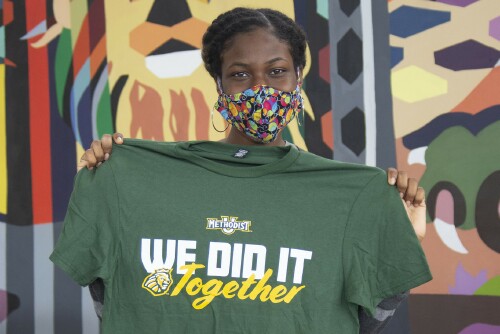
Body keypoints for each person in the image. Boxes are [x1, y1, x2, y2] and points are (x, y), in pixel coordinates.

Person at [51, 7, 431, 334]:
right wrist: (107, 182)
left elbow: (360, 325)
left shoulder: (353, 195)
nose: (261, 89)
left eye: (277, 71)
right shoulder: (127, 176)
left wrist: (401, 236)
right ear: (219, 84)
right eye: (240, 75)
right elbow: (116, 305)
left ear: (298, 76)